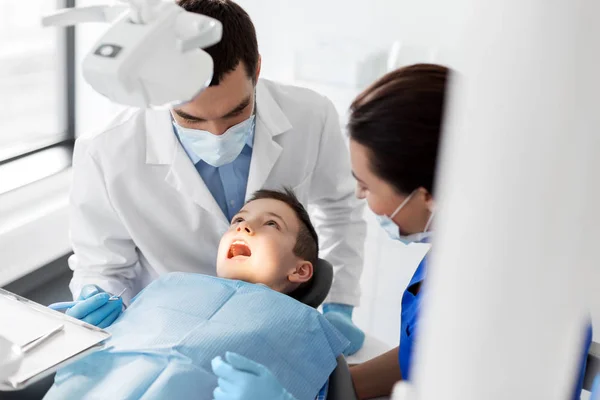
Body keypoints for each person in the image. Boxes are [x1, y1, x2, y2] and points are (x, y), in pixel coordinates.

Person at [212, 64, 593, 400]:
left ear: (425, 195)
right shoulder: (466, 249)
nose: (360, 196)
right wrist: (341, 386)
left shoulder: (497, 295)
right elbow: (423, 356)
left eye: (368, 186)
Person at [65, 0, 366, 354]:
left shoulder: (310, 115)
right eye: (191, 119)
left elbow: (340, 210)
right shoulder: (105, 151)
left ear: (257, 68)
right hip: (164, 334)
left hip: (271, 328)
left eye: (237, 112)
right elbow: (103, 266)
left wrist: (340, 303)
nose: (218, 134)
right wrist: (98, 297)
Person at [45, 189, 348, 400]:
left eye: (271, 224)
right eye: (238, 220)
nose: (244, 228)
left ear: (300, 271)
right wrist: (75, 340)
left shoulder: (305, 328)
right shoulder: (169, 287)